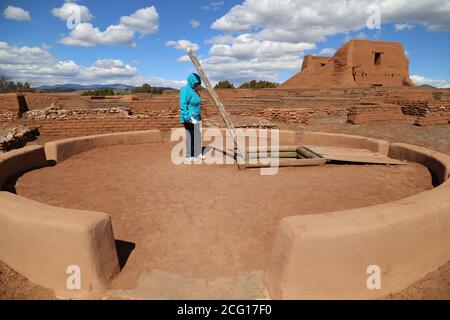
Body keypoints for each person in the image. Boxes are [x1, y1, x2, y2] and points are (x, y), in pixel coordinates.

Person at [179, 73, 206, 162]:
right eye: (195, 83)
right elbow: (183, 105)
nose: (197, 85)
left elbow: (196, 104)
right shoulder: (185, 90)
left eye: (198, 83)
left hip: (196, 117)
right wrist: (187, 117)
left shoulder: (195, 90)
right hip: (189, 118)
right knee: (191, 135)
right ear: (191, 81)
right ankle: (189, 155)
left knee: (197, 135)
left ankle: (197, 154)